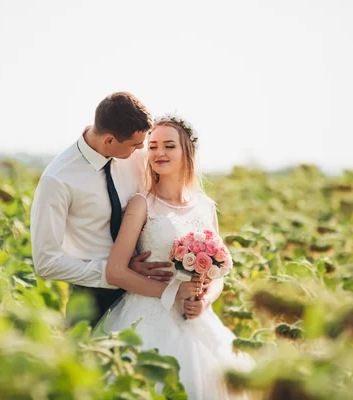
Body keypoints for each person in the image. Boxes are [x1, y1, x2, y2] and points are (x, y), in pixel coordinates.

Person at [100, 115, 250, 399]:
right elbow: (115, 272)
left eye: (169, 146)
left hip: (196, 320)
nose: (159, 153)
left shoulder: (205, 206)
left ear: (186, 152)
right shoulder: (141, 203)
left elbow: (219, 273)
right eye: (153, 146)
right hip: (148, 316)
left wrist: (205, 301)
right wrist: (173, 291)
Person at [30, 92, 205, 326]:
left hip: (152, 296)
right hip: (92, 298)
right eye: (135, 145)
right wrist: (116, 273)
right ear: (109, 141)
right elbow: (46, 262)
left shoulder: (136, 155)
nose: (144, 150)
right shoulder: (58, 180)